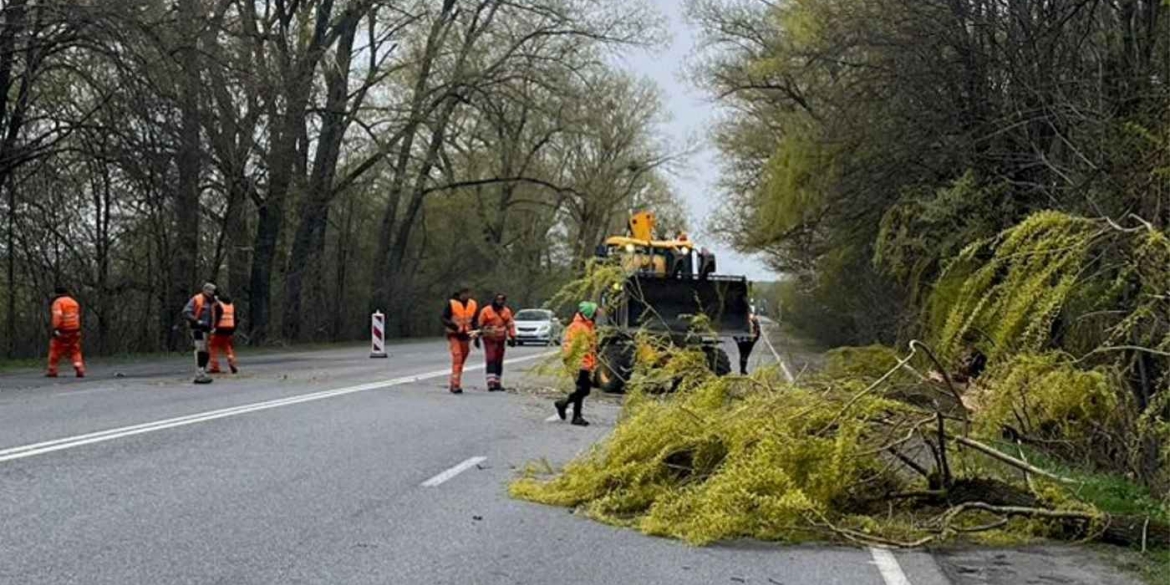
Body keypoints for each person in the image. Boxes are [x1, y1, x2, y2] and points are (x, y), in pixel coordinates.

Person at [555, 301, 599, 427]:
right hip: (579, 362)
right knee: (581, 389)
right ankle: (576, 416)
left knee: (585, 390)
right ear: (589, 314)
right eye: (595, 313)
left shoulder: (588, 325)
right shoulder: (577, 327)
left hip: (586, 362)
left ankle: (563, 403)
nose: (596, 315)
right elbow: (569, 344)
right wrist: (572, 360)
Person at [441, 287, 479, 394]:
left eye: (468, 293)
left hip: (466, 336)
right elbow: (443, 318)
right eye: (464, 294)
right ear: (460, 294)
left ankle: (456, 380)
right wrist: (454, 326)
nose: (466, 296)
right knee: (457, 357)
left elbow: (475, 320)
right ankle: (455, 385)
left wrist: (476, 335)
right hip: (454, 334)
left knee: (462, 359)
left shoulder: (473, 304)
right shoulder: (452, 303)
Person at [478, 293, 517, 392]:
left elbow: (510, 324)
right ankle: (490, 383)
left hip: (501, 338)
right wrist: (479, 335)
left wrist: (513, 337)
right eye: (498, 300)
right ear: (494, 300)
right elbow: (480, 324)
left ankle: (497, 382)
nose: (500, 302)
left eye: (502, 300)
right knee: (491, 358)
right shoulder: (486, 311)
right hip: (489, 338)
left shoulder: (506, 311)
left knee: (499, 360)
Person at [183, 282, 218, 385]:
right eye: (211, 290)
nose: (213, 293)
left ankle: (202, 371)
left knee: (206, 352)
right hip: (197, 328)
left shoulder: (212, 302)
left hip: (207, 330)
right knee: (200, 350)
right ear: (206, 290)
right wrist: (196, 321)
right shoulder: (197, 299)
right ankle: (199, 373)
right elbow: (186, 312)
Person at [46, 286, 86, 378]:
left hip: (63, 330)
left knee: (55, 349)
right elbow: (76, 316)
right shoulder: (74, 302)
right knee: (75, 350)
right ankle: (79, 368)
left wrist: (55, 328)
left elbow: (58, 316)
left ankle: (52, 370)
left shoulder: (58, 302)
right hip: (75, 330)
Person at [208, 293, 239, 375]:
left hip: (219, 329)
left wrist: (213, 328)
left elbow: (216, 318)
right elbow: (236, 319)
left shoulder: (218, 305)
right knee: (227, 347)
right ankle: (232, 362)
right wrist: (233, 330)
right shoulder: (231, 306)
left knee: (213, 347)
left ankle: (215, 367)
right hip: (229, 329)